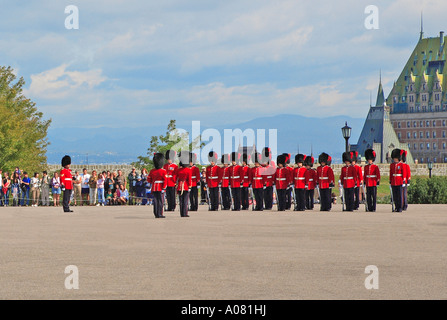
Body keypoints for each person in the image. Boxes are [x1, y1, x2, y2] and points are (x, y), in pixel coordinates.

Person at [147, 152, 167, 218]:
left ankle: (156, 213)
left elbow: (149, 179)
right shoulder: (163, 171)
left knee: (155, 201)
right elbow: (165, 180)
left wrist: (153, 182)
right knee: (160, 201)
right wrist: (164, 187)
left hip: (154, 187)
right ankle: (160, 213)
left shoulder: (152, 171)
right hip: (160, 187)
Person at [390, 149, 406, 213]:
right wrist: (390, 180)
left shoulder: (401, 165)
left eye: (396, 158)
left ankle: (400, 207)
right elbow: (391, 173)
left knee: (399, 195)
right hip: (394, 181)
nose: (395, 159)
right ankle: (396, 207)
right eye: (394, 158)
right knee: (395, 196)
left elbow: (403, 173)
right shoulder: (392, 165)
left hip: (399, 181)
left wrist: (404, 180)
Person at [177, 151, 192, 217]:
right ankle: (185, 213)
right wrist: (190, 186)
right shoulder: (188, 170)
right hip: (185, 186)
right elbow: (189, 179)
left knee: (181, 201)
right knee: (185, 201)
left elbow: (176, 178)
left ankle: (181, 213)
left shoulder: (178, 170)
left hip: (180, 186)